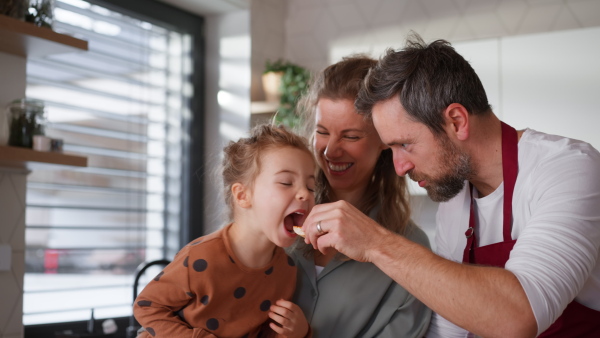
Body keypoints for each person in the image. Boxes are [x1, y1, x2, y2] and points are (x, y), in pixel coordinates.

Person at [301, 34, 600, 338]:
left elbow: (518, 316)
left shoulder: (568, 169)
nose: (399, 166)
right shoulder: (455, 199)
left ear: (457, 121)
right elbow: (450, 328)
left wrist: (374, 242)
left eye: (405, 144)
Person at [289, 55, 432, 337]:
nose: (330, 151)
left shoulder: (410, 249)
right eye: (321, 132)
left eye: (351, 136)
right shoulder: (280, 213)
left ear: (383, 139)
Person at [133, 124, 315, 338]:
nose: (305, 193)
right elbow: (146, 306)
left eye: (311, 187)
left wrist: (300, 333)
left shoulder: (287, 270)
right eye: (286, 182)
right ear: (242, 196)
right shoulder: (200, 258)